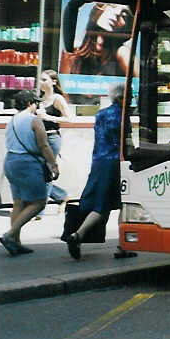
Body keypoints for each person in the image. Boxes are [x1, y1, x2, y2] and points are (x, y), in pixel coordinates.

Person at [64, 83, 124, 260]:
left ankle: (79, 235)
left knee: (101, 203)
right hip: (114, 164)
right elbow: (122, 142)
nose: (133, 101)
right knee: (122, 204)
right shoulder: (121, 115)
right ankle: (121, 245)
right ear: (121, 98)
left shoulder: (100, 114)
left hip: (98, 162)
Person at [0, 90, 60, 256]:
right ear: (28, 104)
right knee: (39, 202)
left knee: (19, 202)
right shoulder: (35, 120)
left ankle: (15, 243)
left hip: (11, 162)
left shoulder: (11, 120)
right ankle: (10, 234)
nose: (37, 106)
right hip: (27, 163)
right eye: (35, 103)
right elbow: (44, 145)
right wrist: (53, 165)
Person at [60, 2, 133, 77]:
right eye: (112, 6)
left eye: (124, 15)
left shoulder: (123, 53)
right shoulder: (73, 51)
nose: (117, 13)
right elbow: (63, 83)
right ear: (98, 9)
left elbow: (138, 84)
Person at [37, 69, 71, 213]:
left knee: (45, 172)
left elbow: (69, 118)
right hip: (38, 138)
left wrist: (48, 118)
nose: (41, 83)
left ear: (54, 82)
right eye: (40, 79)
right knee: (37, 172)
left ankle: (38, 211)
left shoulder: (57, 99)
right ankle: (61, 196)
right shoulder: (40, 98)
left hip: (51, 138)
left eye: (44, 80)